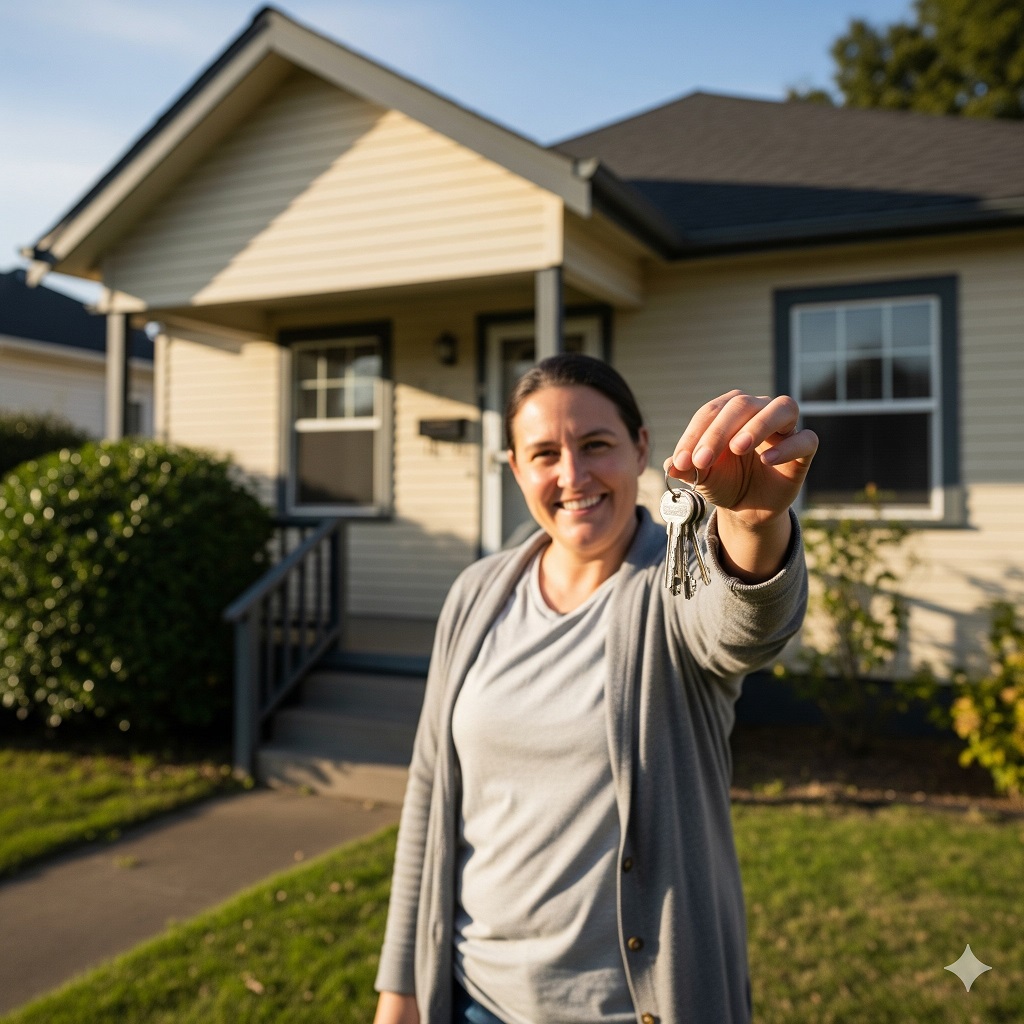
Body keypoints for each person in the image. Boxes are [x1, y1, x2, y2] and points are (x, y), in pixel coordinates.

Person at [373, 354, 817, 1024]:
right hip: (477, 1002)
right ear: (517, 469)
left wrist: (753, 525)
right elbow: (430, 795)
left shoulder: (675, 582)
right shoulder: (476, 596)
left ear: (640, 449)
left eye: (596, 445)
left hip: (631, 1008)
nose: (572, 476)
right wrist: (401, 990)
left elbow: (741, 628)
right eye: (544, 453)